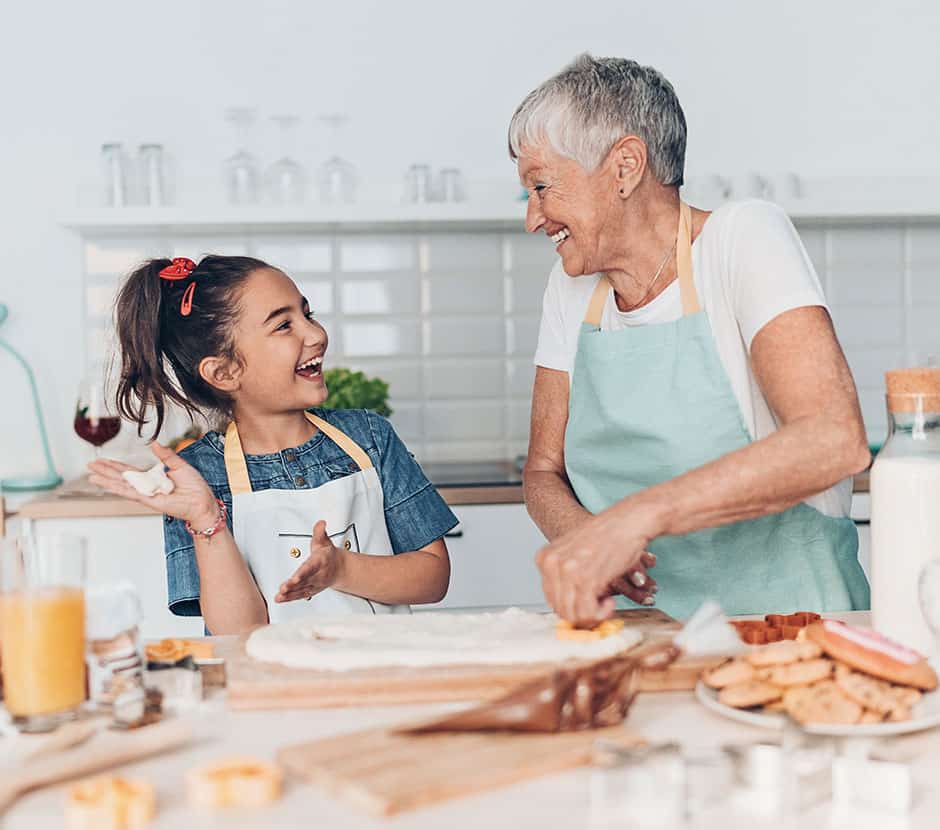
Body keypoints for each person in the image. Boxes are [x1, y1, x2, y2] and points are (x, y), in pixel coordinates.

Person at [511, 54, 871, 623]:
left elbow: (834, 440)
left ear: (625, 166)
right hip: (644, 636)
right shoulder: (571, 286)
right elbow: (542, 472)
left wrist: (635, 518)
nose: (533, 217)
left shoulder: (742, 238)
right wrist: (592, 540)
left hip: (791, 633)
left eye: (541, 186)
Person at [88, 255, 457, 634]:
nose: (316, 335)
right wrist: (204, 519)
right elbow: (238, 631)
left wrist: (341, 569)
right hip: (272, 686)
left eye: (308, 315)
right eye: (284, 325)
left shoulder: (370, 438)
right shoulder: (195, 479)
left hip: (379, 680)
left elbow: (433, 577)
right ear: (224, 372)